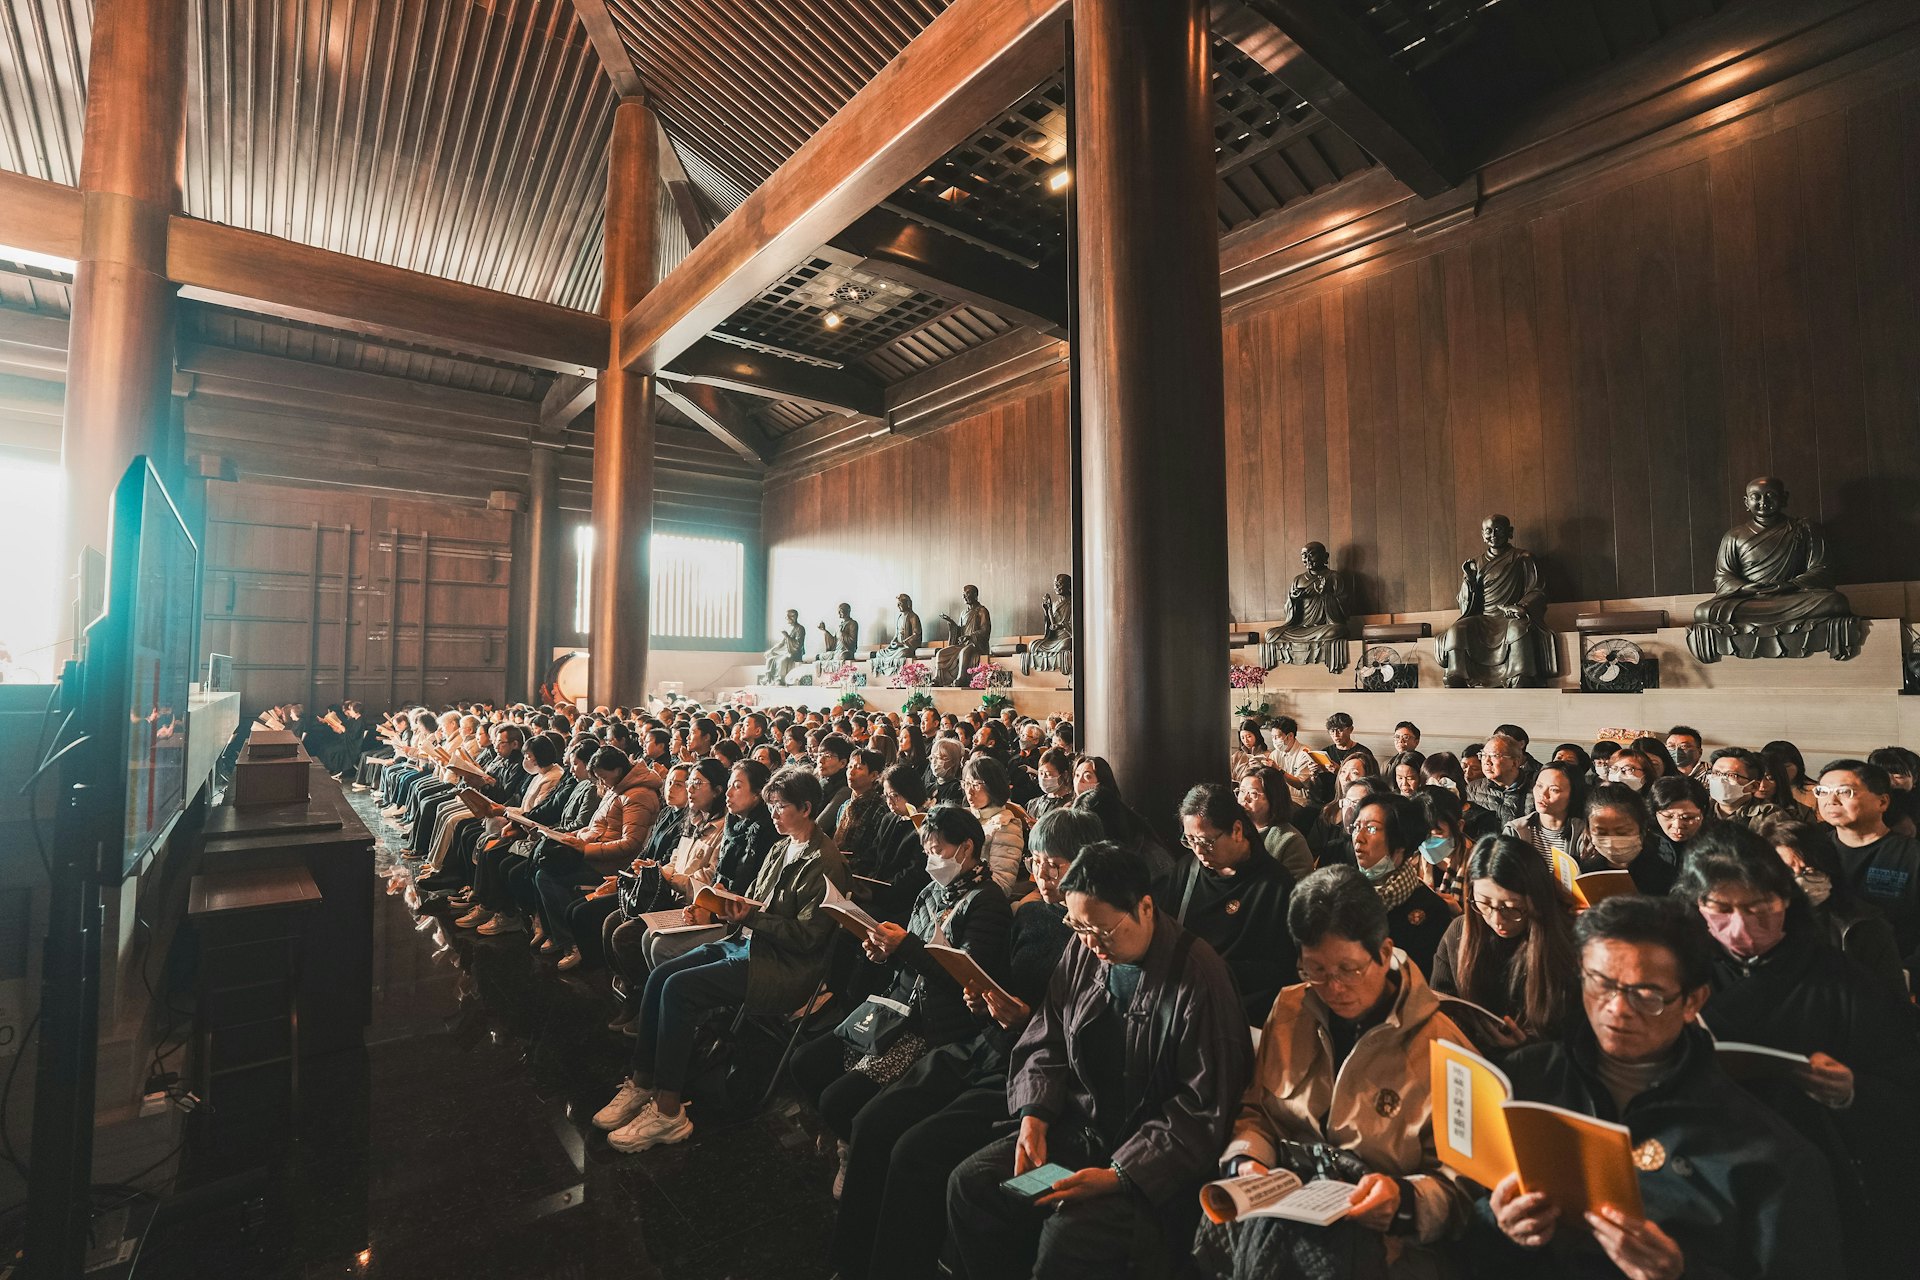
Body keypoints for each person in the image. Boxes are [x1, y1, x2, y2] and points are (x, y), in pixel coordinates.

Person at [1480, 895, 1841, 1279]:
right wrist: (1498, 1222)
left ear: (1693, 1001)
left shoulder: (1770, 1155)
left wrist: (1681, 1274)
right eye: (1600, 983)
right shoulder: (1527, 1077)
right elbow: (1469, 1223)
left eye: (1646, 995)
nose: (1616, 1009)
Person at [945, 843, 1253, 1280]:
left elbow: (1201, 1111)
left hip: (1151, 1164)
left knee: (1066, 1238)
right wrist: (1035, 1118)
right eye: (1078, 926)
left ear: (1146, 907)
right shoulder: (1084, 948)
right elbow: (1048, 1036)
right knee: (972, 1185)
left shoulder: (1200, 978)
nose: (1091, 943)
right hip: (1081, 1131)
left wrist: (1120, 1175)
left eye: (1103, 931)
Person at [826, 808, 1096, 1280]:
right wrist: (985, 999)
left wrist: (1021, 1018)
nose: (1042, 875)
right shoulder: (1032, 913)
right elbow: (1006, 984)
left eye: (1055, 864)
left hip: (1028, 1064)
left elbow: (1073, 1031)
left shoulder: (1092, 932)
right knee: (871, 1121)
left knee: (916, 1150)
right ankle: (850, 1263)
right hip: (990, 1041)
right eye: (1036, 862)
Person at [1193, 866, 1471, 1279]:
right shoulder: (1290, 1010)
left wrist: (1403, 1200)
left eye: (1349, 969)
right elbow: (1257, 1111)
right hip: (1287, 1208)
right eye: (1315, 970)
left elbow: (1463, 1184)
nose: (1334, 987)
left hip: (1384, 1241)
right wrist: (1249, 1163)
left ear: (1384, 951)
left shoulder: (1443, 1047)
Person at [1674, 824, 1920, 1276]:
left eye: (1759, 908)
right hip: (1697, 1165)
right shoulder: (1673, 973)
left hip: (1812, 1173)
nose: (1740, 927)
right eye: (1721, 908)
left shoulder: (1842, 980)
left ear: (1786, 900)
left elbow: (1905, 1078)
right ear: (1695, 904)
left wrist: (1852, 1090)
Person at [594, 767, 849, 1151]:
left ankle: (667, 1110)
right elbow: (757, 897)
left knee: (680, 989)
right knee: (662, 975)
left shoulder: (825, 861)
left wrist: (752, 917)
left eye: (782, 807)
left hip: (783, 966)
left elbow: (809, 937)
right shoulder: (783, 846)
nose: (774, 814)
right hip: (749, 942)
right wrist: (727, 905)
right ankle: (643, 1081)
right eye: (773, 806)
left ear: (808, 808)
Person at [790, 805, 1012, 1183]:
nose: (931, 858)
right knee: (805, 1063)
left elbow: (965, 978)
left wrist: (905, 946)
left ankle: (855, 1152)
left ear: (967, 848)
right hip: (897, 1007)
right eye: (927, 850)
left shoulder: (986, 902)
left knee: (839, 1100)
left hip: (933, 1026)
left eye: (939, 849)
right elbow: (910, 963)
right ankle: (849, 1141)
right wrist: (884, 953)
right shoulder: (931, 891)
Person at [1166, 784, 1300, 1024]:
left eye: (1207, 841)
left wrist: (1213, 971)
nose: (1198, 851)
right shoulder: (1188, 870)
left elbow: (1279, 969)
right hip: (1184, 1002)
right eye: (1190, 840)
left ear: (1237, 830)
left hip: (1240, 1012)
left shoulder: (1275, 885)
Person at [1430, 835, 1578, 1048]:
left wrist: (1527, 1045)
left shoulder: (1568, 941)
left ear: (1536, 898)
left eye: (1510, 907)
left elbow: (1577, 1035)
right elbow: (1442, 1005)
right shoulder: (1459, 933)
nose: (1496, 919)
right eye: (1484, 903)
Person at [1759, 816, 1904, 999]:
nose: (1798, 879)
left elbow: (1893, 1004)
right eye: (1785, 871)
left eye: (1809, 870)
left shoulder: (1863, 927)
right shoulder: (1750, 926)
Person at [1817, 758, 1920, 984]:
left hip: (1894, 975)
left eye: (1845, 792)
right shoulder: (1811, 851)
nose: (1830, 800)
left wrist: (1910, 976)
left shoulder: (1912, 855)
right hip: (1824, 976)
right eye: (1822, 791)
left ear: (1882, 802)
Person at [1349, 792, 1452, 977]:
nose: (1359, 838)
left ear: (1401, 843)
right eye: (1356, 827)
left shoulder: (1430, 908)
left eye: (1371, 829)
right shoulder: (1344, 893)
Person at [1576, 783, 1674, 895]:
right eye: (1601, 832)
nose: (1611, 841)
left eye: (1622, 832)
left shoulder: (1663, 874)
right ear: (1588, 831)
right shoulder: (1587, 872)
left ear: (1642, 829)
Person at [1505, 760, 1584, 890]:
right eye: (1539, 786)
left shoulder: (1583, 833)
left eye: (1554, 790)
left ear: (1573, 795)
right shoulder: (1516, 830)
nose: (1543, 794)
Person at [962, 754, 1029, 897]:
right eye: (966, 783)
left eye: (975, 784)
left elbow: (1001, 885)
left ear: (993, 786)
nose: (969, 790)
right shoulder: (965, 816)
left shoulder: (1006, 827)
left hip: (980, 900)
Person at [1233, 764, 1314, 882]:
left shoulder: (1291, 841)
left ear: (1273, 797)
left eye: (1253, 793)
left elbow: (1297, 891)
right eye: (1241, 791)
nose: (1244, 798)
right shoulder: (1235, 830)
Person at [1410, 784, 1470, 900]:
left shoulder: (1477, 863)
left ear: (1459, 826)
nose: (1426, 842)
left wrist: (1459, 913)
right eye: (1423, 834)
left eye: (1436, 835)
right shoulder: (1408, 861)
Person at [1647, 774, 1712, 876]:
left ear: (1702, 812)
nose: (1677, 825)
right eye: (1668, 816)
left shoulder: (1716, 844)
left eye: (1687, 818)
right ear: (1655, 813)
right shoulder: (1645, 843)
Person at [1705, 747, 1781, 830]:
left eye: (1731, 775)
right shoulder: (1699, 807)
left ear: (1754, 786)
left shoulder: (1770, 815)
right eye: (1716, 773)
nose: (1721, 779)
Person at [1467, 733, 1532, 825]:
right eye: (1483, 755)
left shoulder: (1535, 790)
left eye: (1494, 756)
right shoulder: (1473, 789)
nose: (1487, 761)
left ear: (1515, 762)